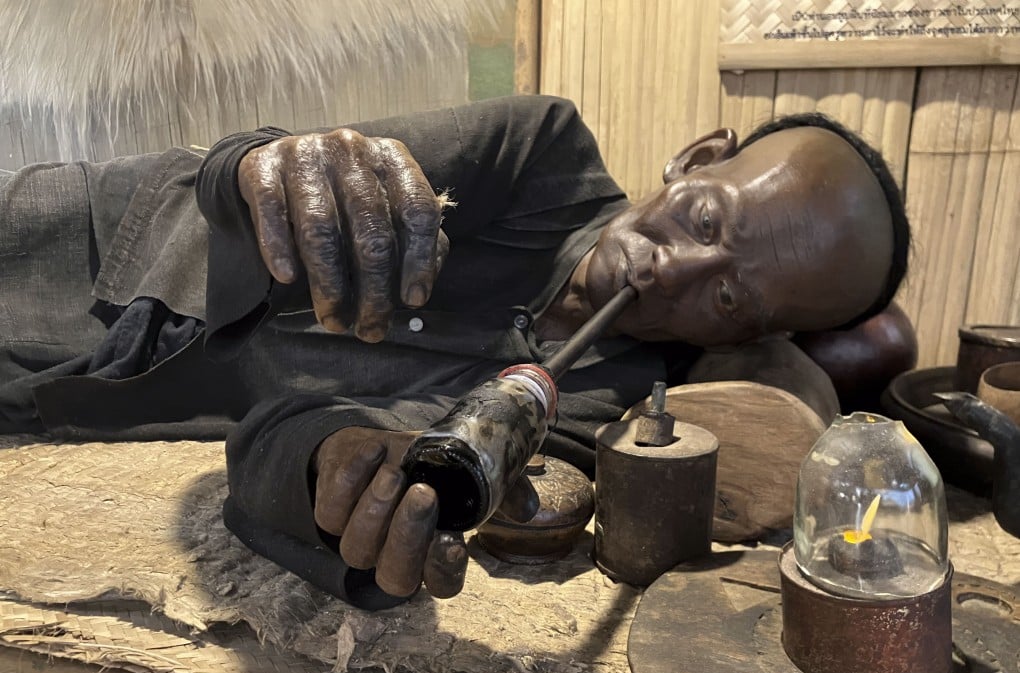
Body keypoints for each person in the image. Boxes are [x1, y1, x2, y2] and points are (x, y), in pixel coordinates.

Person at [0, 95, 909, 609]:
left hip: (102, 397)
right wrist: (264, 166)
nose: (681, 266)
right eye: (709, 218)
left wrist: (336, 478)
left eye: (728, 294)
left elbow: (282, 442)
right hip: (95, 242)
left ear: (746, 334)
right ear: (697, 155)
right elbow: (271, 164)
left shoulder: (593, 418)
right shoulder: (540, 152)